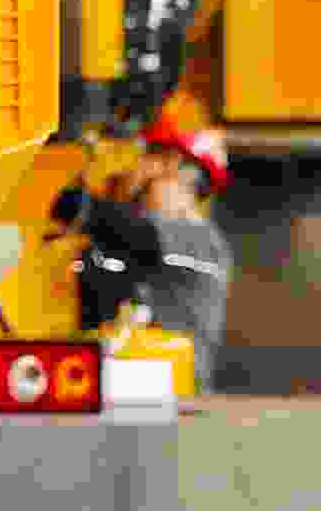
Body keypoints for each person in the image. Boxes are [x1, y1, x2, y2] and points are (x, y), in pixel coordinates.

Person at [65, 101, 234, 386]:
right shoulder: (127, 252)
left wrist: (79, 207)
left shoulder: (205, 245)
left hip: (172, 396)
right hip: (122, 382)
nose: (133, 172)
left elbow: (138, 235)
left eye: (147, 160)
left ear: (175, 168)